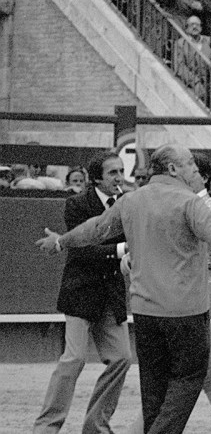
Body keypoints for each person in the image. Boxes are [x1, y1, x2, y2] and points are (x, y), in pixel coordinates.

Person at [35, 145, 211, 434]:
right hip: (185, 310)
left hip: (145, 312)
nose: (194, 169)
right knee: (189, 378)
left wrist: (61, 242)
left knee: (155, 388)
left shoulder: (132, 200)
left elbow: (95, 229)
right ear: (172, 169)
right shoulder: (189, 202)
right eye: (189, 164)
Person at [33, 152, 132, 434]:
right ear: (97, 178)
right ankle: (46, 427)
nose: (119, 177)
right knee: (74, 358)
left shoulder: (127, 204)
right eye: (113, 172)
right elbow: (82, 250)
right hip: (81, 291)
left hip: (111, 293)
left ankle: (96, 425)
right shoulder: (76, 205)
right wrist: (123, 250)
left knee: (122, 358)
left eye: (121, 171)